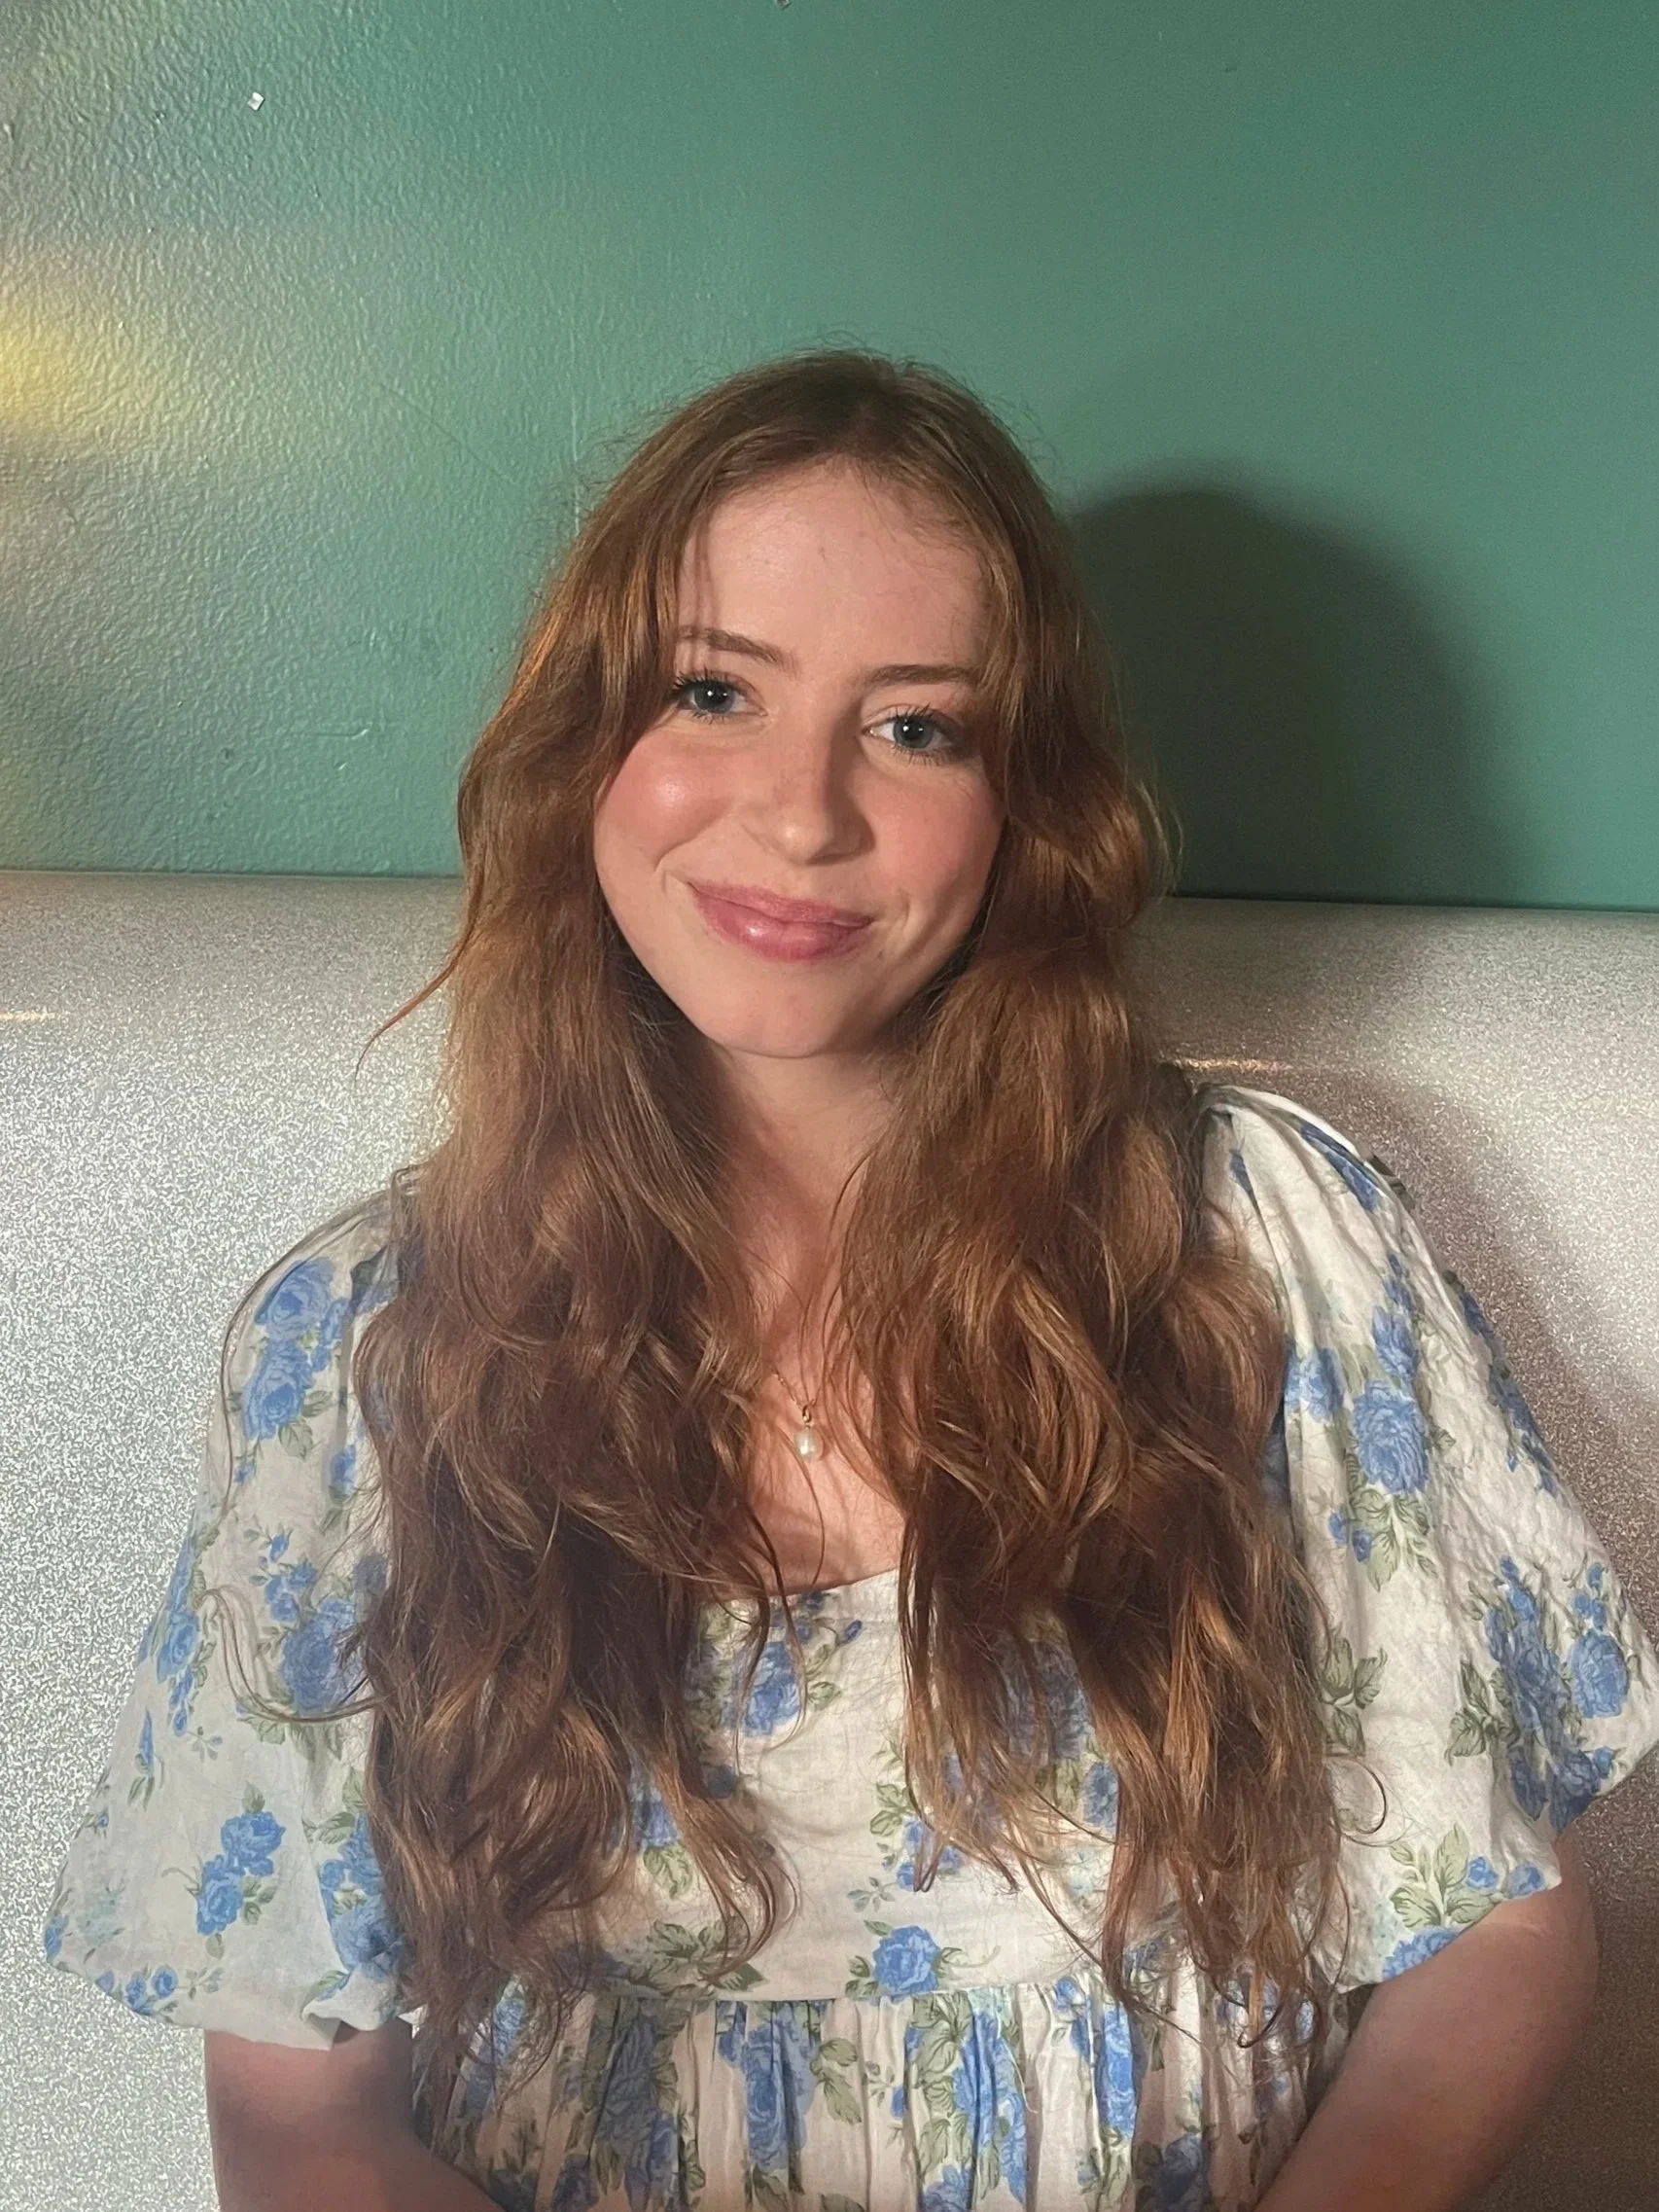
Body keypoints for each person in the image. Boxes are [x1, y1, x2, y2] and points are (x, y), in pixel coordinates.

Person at [41, 349, 1659, 2212]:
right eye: (711, 690)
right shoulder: (369, 1355)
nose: (801, 813)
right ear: (586, 746)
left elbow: (1488, 1940)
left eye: (915, 726)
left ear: (1026, 804)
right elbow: (302, 2115)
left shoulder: (1267, 1248)